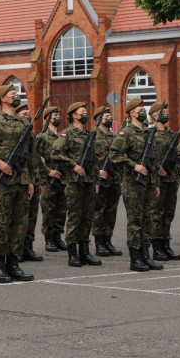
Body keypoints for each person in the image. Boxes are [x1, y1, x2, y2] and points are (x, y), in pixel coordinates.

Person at [0, 85, 38, 283]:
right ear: (3, 98)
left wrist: (30, 180)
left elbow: (30, 155)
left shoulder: (23, 122)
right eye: (13, 94)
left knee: (20, 224)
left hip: (21, 181)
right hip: (3, 182)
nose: (16, 96)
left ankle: (14, 264)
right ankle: (0, 267)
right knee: (2, 224)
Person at [110, 97, 162, 272]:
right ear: (131, 113)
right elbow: (114, 155)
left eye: (143, 109)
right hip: (133, 184)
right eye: (140, 109)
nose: (143, 112)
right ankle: (135, 257)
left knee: (148, 219)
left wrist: (156, 183)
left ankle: (146, 255)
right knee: (135, 221)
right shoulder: (126, 133)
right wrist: (134, 165)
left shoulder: (148, 133)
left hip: (148, 183)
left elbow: (153, 161)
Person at [51, 101, 101, 267]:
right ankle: (73, 253)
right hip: (73, 182)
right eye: (82, 112)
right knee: (74, 217)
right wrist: (73, 165)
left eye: (86, 112)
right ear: (74, 115)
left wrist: (96, 181)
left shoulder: (89, 135)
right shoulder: (67, 134)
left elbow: (94, 160)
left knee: (87, 218)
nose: (85, 114)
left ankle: (85, 252)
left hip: (89, 182)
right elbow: (55, 153)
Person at [149, 101, 180, 261]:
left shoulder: (171, 134)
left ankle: (166, 244)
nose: (166, 114)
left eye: (167, 112)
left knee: (168, 213)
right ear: (154, 115)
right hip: (158, 180)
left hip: (171, 179)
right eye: (163, 112)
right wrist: (156, 171)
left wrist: (179, 176)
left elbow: (176, 157)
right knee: (157, 213)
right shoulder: (151, 134)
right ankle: (157, 247)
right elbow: (148, 157)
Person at [92, 105, 123, 257]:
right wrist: (96, 172)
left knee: (111, 212)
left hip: (114, 179)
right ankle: (99, 243)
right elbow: (86, 157)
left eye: (110, 116)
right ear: (99, 119)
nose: (109, 118)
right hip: (99, 179)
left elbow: (119, 158)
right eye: (106, 117)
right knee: (99, 211)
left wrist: (121, 180)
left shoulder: (114, 136)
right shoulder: (92, 136)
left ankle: (108, 240)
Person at [15, 101, 44, 263]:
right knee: (21, 217)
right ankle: (17, 249)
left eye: (28, 114)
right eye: (23, 114)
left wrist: (38, 180)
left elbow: (35, 159)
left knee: (32, 216)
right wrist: (28, 180)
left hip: (34, 179)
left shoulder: (31, 135)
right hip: (22, 180)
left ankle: (28, 247)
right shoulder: (16, 135)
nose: (27, 117)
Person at [38, 106, 67, 253]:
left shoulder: (62, 136)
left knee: (61, 209)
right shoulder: (42, 137)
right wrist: (48, 171)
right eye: (54, 115)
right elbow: (37, 158)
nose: (57, 117)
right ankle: (48, 238)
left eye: (58, 115)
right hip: (48, 180)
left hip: (62, 178)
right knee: (49, 209)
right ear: (47, 118)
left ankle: (57, 236)